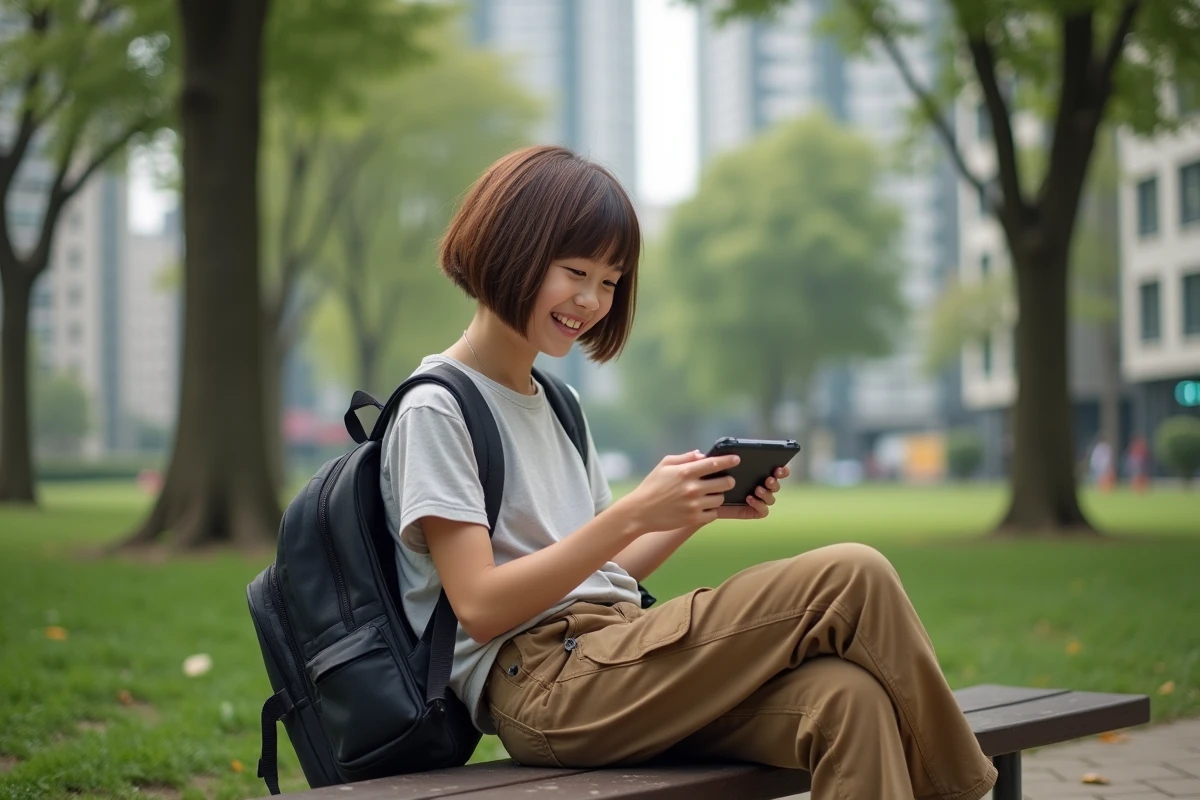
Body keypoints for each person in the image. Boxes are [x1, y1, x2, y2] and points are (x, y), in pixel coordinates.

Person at [380, 145, 998, 800]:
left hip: (616, 655)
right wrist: (631, 514)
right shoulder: (437, 408)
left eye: (611, 281)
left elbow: (599, 572)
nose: (592, 300)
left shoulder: (558, 402)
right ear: (510, 250)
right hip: (541, 684)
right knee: (853, 575)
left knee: (846, 699)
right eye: (577, 272)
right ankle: (962, 790)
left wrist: (691, 513)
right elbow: (479, 607)